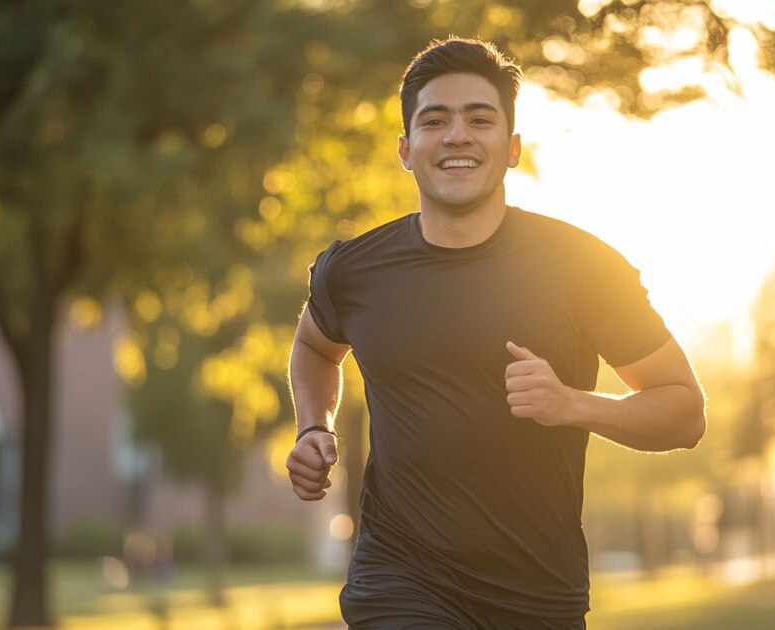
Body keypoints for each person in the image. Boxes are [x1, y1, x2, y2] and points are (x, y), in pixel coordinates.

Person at [285, 36, 706, 629]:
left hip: (536, 597)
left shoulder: (582, 268)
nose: (457, 135)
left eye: (479, 120)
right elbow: (314, 345)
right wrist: (313, 426)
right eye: (435, 121)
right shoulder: (353, 271)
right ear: (406, 150)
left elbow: (684, 412)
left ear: (511, 149)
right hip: (399, 581)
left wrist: (573, 404)